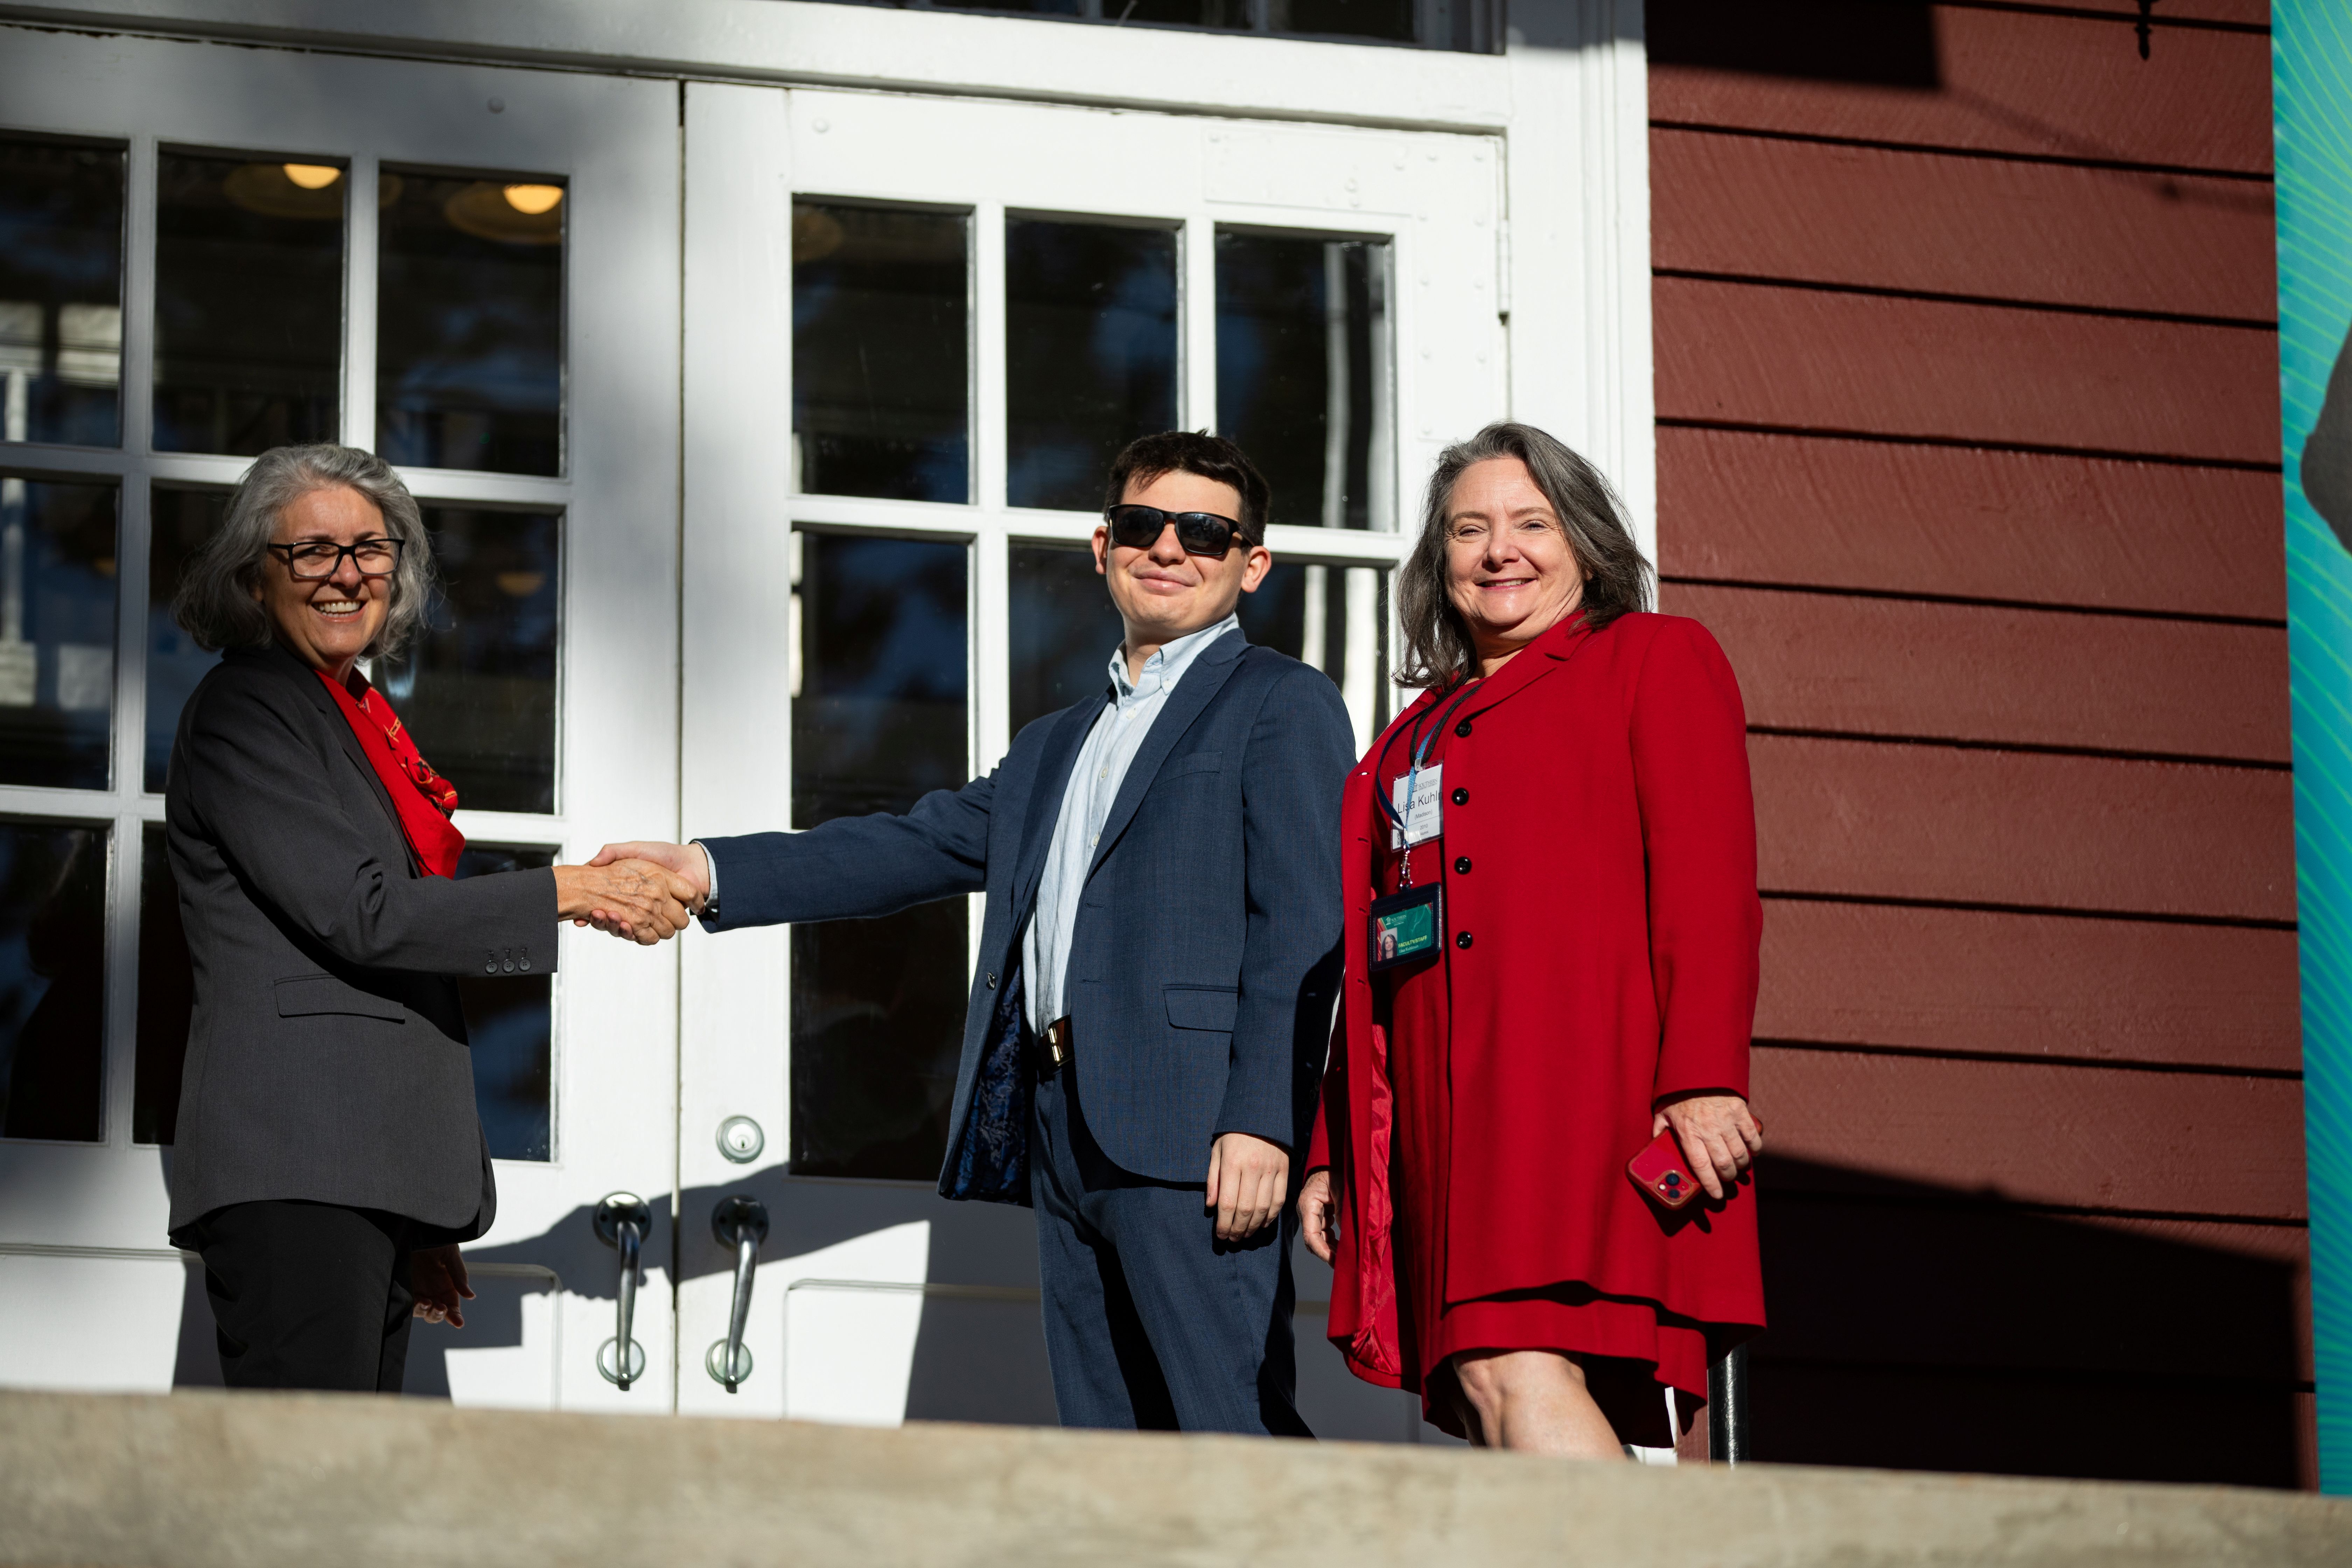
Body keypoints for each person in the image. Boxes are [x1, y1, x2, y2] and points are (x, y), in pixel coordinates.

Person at [596, 431, 1354, 1435]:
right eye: (1143, 524)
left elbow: (1305, 926)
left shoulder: (1280, 703)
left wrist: (1264, 1119)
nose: (1170, 547)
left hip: (1193, 1136)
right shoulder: (1058, 744)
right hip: (1062, 1123)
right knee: (1110, 1446)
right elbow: (910, 848)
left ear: (1251, 564)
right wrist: (706, 867)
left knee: (1230, 1431)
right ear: (1103, 546)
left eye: (1205, 532)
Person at [163, 443, 696, 1393]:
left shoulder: (351, 715)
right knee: (295, 1504)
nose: (347, 575)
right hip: (299, 1171)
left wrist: (406, 1198)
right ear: (252, 580)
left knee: (349, 1511)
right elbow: (365, 916)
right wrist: (574, 890)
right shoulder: (248, 708)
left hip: (355, 1177)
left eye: (371, 549)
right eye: (311, 552)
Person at [1298, 421, 1765, 1457]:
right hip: (1439, 1125)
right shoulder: (1409, 740)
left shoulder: (1652, 657)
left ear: (1586, 545)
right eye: (1470, 529)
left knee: (1509, 1368)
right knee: (1485, 1392)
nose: (1499, 550)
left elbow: (1711, 882)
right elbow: (1378, 958)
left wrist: (1701, 1076)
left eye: (1530, 523)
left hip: (1585, 1101)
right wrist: (1341, 1148)